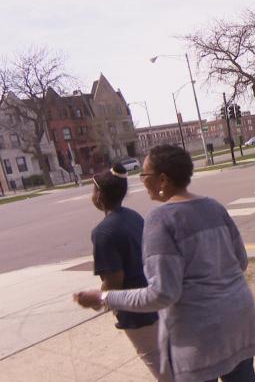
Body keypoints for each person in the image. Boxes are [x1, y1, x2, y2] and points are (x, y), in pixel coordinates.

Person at [75, 145, 255, 382]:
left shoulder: (160, 219)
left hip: (201, 331)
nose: (141, 180)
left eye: (145, 175)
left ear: (162, 180)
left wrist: (104, 298)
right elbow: (240, 262)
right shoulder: (214, 206)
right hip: (239, 315)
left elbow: (162, 294)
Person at [88, 162, 161, 380]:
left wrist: (98, 299)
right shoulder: (133, 216)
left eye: (93, 191)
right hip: (155, 299)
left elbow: (113, 280)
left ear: (100, 196)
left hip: (136, 311)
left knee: (162, 368)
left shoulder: (103, 233)